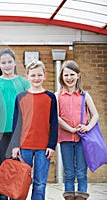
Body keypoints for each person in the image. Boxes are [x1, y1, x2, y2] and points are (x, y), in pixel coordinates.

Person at [9, 60, 58, 200]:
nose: (36, 78)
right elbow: (16, 124)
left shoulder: (50, 97)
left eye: (39, 75)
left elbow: (54, 122)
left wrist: (51, 145)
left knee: (40, 182)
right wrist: (15, 145)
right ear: (27, 77)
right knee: (22, 182)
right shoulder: (21, 97)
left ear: (45, 76)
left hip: (44, 147)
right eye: (33, 75)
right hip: (24, 146)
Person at [0, 48, 30, 200]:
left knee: (17, 164)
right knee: (3, 163)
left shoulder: (23, 82)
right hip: (0, 130)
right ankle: (3, 196)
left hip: (19, 130)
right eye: (3, 62)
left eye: (9, 62)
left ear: (14, 63)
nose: (7, 65)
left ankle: (15, 194)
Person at [56, 60, 99, 200]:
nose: (69, 78)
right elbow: (56, 117)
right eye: (66, 75)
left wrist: (87, 127)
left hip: (82, 139)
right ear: (61, 76)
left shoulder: (85, 96)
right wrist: (71, 129)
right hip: (65, 139)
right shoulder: (58, 96)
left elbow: (95, 115)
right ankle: (69, 197)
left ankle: (81, 196)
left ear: (78, 75)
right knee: (68, 172)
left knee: (81, 172)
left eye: (72, 74)